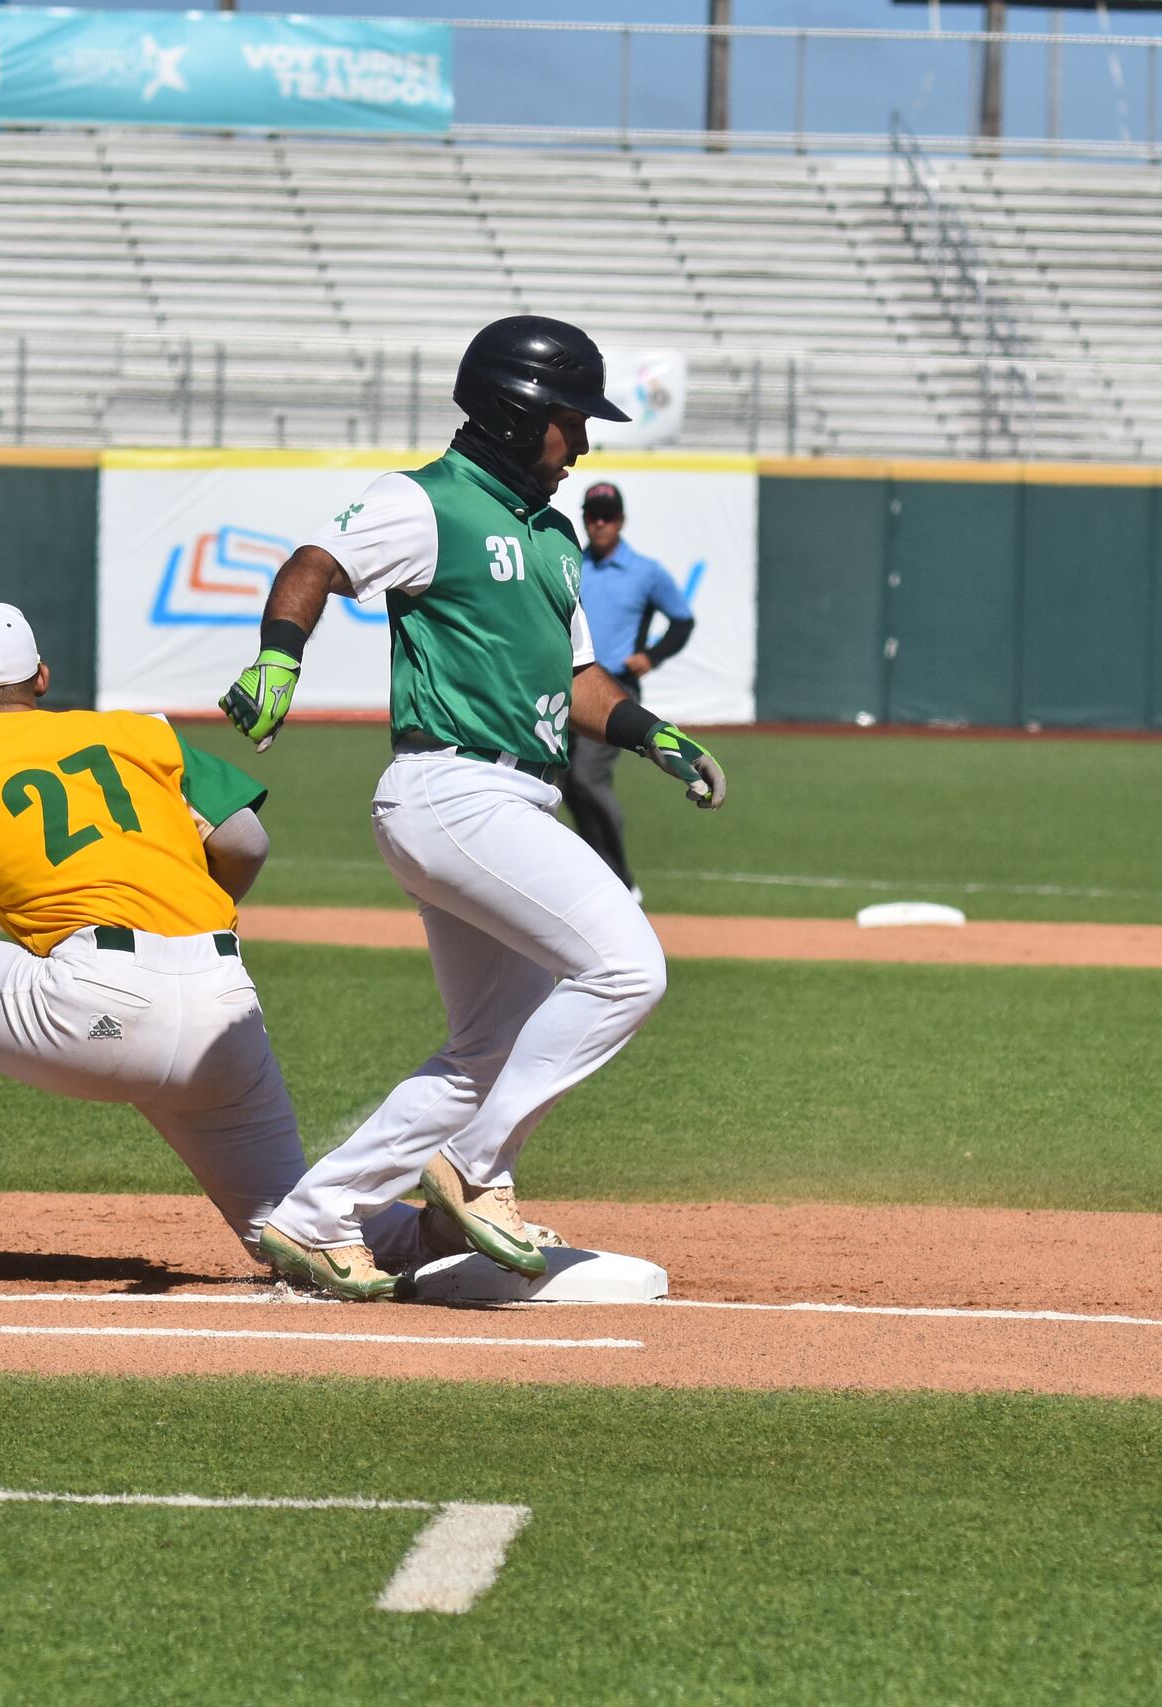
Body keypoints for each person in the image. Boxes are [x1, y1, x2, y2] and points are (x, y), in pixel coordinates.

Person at [217, 315, 729, 1302]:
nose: (580, 445)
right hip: (450, 787)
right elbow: (313, 564)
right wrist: (280, 657)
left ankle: (317, 1216)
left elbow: (581, 683)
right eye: (570, 421)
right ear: (513, 413)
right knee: (626, 965)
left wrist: (658, 739)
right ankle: (474, 1169)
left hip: (507, 799)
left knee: (486, 1048)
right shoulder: (427, 503)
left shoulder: (550, 539)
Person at [0, 601, 308, 1283]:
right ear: (42, 678)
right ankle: (451, 1245)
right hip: (223, 996)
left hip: (97, 1005)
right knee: (305, 1232)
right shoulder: (143, 733)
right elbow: (245, 842)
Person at [556, 480, 696, 897]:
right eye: (592, 515)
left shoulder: (645, 572)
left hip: (615, 687)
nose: (599, 523)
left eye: (608, 516)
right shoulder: (569, 562)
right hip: (566, 683)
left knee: (587, 778)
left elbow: (682, 620)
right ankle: (602, 875)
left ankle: (622, 881)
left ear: (621, 520)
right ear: (584, 518)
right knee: (557, 785)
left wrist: (651, 657)